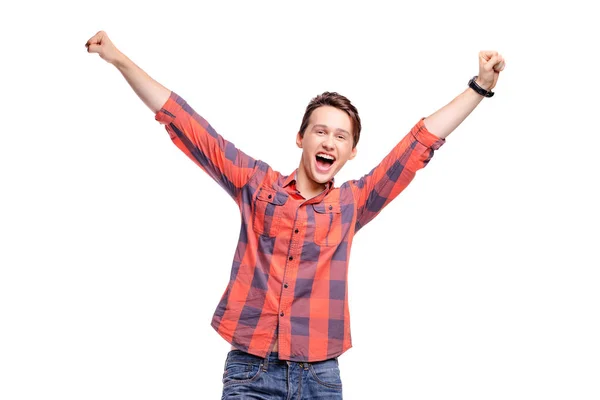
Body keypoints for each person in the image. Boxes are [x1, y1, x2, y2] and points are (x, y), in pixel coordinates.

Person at [85, 30, 505, 399]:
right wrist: (119, 57)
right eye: (321, 131)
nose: (329, 141)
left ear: (350, 153)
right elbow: (187, 124)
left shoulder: (351, 204)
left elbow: (418, 145)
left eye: (341, 136)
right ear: (301, 138)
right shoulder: (256, 184)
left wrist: (479, 87)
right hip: (250, 370)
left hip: (320, 376)